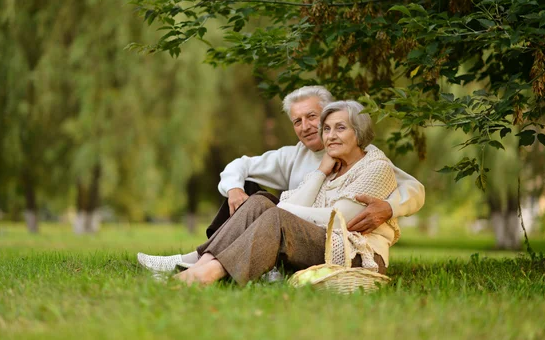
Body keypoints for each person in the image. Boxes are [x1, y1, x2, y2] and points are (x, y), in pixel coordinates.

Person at [138, 86, 424, 272]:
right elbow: (240, 165)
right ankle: (200, 261)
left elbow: (412, 187)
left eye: (313, 117)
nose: (307, 127)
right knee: (255, 197)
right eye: (298, 121)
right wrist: (236, 189)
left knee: (267, 208)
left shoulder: (366, 157)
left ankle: (201, 266)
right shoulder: (294, 155)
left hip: (331, 236)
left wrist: (389, 208)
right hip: (294, 227)